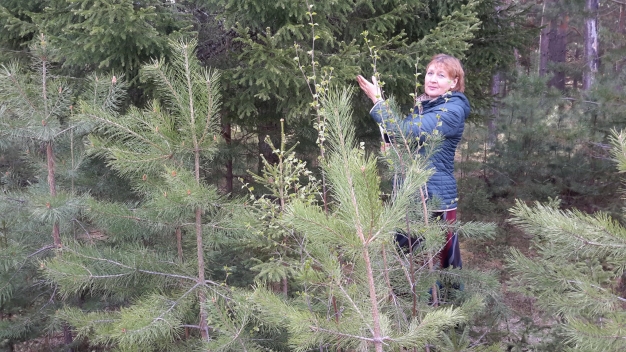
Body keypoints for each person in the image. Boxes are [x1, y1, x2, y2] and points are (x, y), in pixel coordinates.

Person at [356, 53, 469, 269]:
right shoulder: (426, 106)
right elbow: (400, 137)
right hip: (412, 194)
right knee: (407, 266)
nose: (433, 79)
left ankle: (447, 302)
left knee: (440, 268)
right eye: (430, 73)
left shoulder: (451, 110)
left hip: (434, 199)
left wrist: (377, 101)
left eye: (441, 75)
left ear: (454, 83)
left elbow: (406, 132)